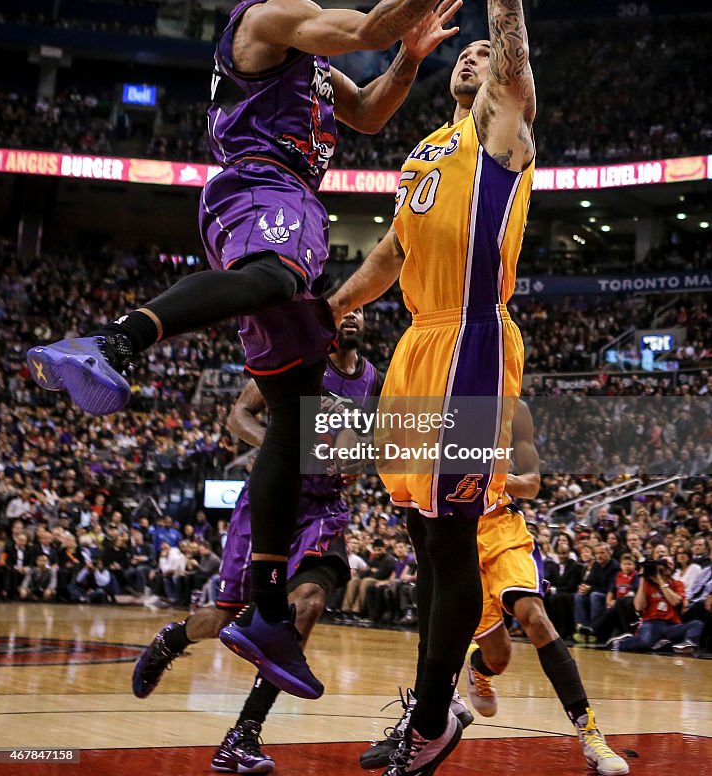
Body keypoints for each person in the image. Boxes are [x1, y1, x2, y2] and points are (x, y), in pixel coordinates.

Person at [27, 0, 490, 700]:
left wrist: (408, 60)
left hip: (271, 196)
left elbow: (372, 112)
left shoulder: (302, 55)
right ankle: (114, 340)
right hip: (261, 188)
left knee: (295, 413)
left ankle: (268, 610)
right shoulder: (271, 16)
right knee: (277, 278)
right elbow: (364, 27)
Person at [331, 0, 534, 776]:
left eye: (487, 54)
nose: (477, 53)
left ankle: (432, 718)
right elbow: (384, 260)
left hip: (471, 347)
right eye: (470, 51)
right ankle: (435, 698)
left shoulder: (506, 128)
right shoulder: (420, 148)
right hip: (414, 347)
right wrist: (324, 309)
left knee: (453, 544)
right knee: (424, 544)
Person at [132, 311, 389, 773]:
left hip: (323, 509)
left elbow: (372, 443)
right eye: (347, 306)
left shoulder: (373, 380)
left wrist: (360, 458)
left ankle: (244, 733)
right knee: (225, 615)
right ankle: (172, 639)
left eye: (362, 310)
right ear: (328, 318)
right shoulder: (300, 360)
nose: (354, 314)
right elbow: (238, 415)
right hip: (271, 501)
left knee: (306, 604)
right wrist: (282, 443)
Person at [360, 403, 628, 776]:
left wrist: (486, 478)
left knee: (534, 616)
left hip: (501, 528)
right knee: (498, 656)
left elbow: (531, 483)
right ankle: (477, 668)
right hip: (455, 536)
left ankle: (591, 736)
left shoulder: (515, 409)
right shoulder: (433, 406)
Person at [611, 556, 703, 654]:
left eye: (669, 564)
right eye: (662, 565)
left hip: (671, 625)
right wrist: (642, 579)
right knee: (646, 642)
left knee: (697, 624)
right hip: (651, 623)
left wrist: (660, 581)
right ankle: (621, 643)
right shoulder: (647, 585)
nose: (666, 568)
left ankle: (687, 644)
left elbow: (675, 601)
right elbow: (638, 607)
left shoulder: (677, 584)